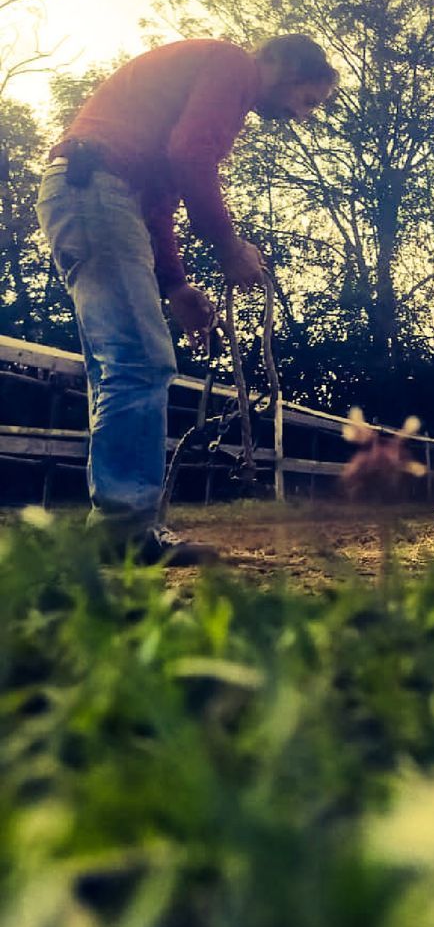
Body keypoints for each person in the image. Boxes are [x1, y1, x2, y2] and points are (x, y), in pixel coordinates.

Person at [36, 34, 338, 564]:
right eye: (308, 99)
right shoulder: (231, 66)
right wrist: (228, 245)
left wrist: (175, 285)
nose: (303, 115)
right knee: (141, 364)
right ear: (284, 64)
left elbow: (159, 199)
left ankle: (117, 528)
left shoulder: (183, 98)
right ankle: (124, 533)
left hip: (89, 194)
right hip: (95, 193)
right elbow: (190, 154)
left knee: (115, 371)